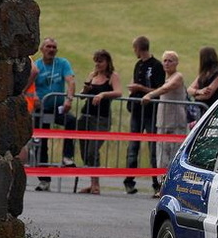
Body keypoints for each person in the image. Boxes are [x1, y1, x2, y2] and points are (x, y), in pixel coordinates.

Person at [33, 37, 77, 191]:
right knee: (41, 142)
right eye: (48, 47)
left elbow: (70, 81)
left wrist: (69, 100)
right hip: (41, 109)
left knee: (71, 121)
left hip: (59, 107)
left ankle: (67, 156)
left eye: (54, 47)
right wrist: (34, 97)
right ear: (42, 49)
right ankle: (44, 179)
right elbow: (30, 84)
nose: (51, 50)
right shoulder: (37, 65)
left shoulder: (62, 63)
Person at [142, 50, 187, 198]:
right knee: (162, 157)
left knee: (174, 155)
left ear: (176, 63)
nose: (167, 63)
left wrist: (150, 94)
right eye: (165, 60)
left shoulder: (177, 77)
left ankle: (173, 189)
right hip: (162, 122)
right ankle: (163, 187)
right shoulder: (165, 78)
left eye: (170, 61)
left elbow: (167, 88)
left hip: (176, 123)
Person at [77, 50, 123, 195]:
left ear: (107, 62)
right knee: (85, 151)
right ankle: (92, 183)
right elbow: (82, 96)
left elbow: (118, 92)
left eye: (101, 61)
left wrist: (103, 94)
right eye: (96, 61)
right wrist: (85, 89)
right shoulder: (92, 75)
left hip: (101, 118)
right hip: (86, 116)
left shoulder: (112, 76)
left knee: (93, 150)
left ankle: (96, 184)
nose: (98, 64)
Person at [125, 36, 165, 195]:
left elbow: (159, 89)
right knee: (132, 146)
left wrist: (140, 88)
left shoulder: (156, 66)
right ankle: (129, 181)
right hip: (136, 111)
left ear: (138, 48)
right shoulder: (138, 65)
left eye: (134, 48)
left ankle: (156, 184)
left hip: (151, 112)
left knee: (153, 148)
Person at [187, 46, 218, 111]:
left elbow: (207, 95)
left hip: (211, 108)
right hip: (200, 108)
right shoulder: (203, 73)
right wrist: (199, 91)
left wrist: (195, 95)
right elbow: (189, 90)